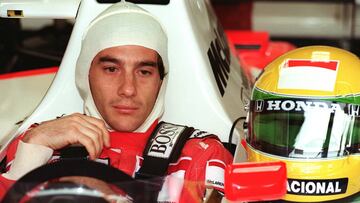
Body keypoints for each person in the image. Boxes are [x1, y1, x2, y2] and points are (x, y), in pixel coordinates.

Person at [0, 1, 233, 202]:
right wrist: (30, 154)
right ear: (85, 74)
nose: (128, 89)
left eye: (144, 72)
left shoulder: (200, 154)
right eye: (111, 69)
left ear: (161, 80)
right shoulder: (36, 140)